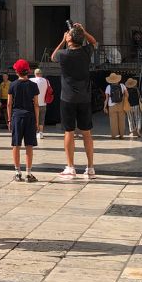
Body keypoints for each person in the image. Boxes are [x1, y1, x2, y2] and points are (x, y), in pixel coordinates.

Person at [51, 23, 98, 180]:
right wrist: (84, 31)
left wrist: (62, 41)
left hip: (68, 98)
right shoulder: (86, 52)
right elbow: (94, 42)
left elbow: (52, 57)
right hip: (84, 97)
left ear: (69, 38)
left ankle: (70, 167)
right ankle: (90, 167)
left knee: (69, 131)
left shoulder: (64, 54)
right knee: (87, 133)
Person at [8, 59, 39, 182]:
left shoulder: (13, 85)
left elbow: (9, 103)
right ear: (28, 71)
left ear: (17, 72)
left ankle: (17, 172)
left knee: (16, 144)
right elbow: (36, 104)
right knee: (29, 145)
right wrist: (37, 120)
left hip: (16, 116)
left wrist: (9, 119)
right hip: (30, 116)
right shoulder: (33, 85)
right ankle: (28, 173)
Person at [103, 72, 127, 139]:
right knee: (122, 120)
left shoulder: (108, 87)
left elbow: (106, 98)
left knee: (113, 121)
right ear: (118, 79)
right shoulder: (122, 85)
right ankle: (121, 135)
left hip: (111, 106)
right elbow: (127, 95)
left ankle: (113, 135)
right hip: (121, 105)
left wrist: (105, 107)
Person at [31, 68, 52, 140]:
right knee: (42, 119)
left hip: (34, 103)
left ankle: (34, 132)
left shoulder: (31, 80)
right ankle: (41, 133)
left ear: (35, 74)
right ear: (41, 74)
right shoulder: (46, 81)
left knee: (34, 119)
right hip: (43, 103)